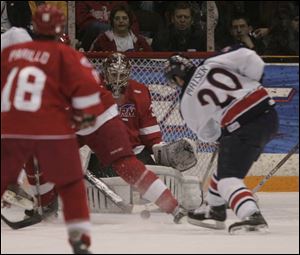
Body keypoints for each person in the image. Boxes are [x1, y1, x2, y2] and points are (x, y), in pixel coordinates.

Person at [1, 4, 103, 253]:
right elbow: (89, 96)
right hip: (49, 127)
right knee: (71, 184)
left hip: (11, 125)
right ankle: (80, 240)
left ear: (35, 25)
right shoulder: (67, 56)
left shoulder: (13, 51)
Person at [164, 45, 279, 234]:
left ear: (177, 79)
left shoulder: (186, 103)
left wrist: (224, 133)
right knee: (224, 166)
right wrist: (254, 83)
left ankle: (251, 214)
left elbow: (207, 134)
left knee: (228, 179)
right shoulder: (212, 62)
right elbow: (251, 58)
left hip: (243, 126)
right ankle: (214, 208)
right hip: (269, 115)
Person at [88, 52, 197, 178]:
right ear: (104, 73)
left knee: (161, 181)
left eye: (122, 75)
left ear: (128, 74)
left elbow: (148, 128)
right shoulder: (90, 90)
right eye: (113, 74)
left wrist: (159, 148)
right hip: (102, 155)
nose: (117, 79)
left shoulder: (139, 91)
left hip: (135, 152)